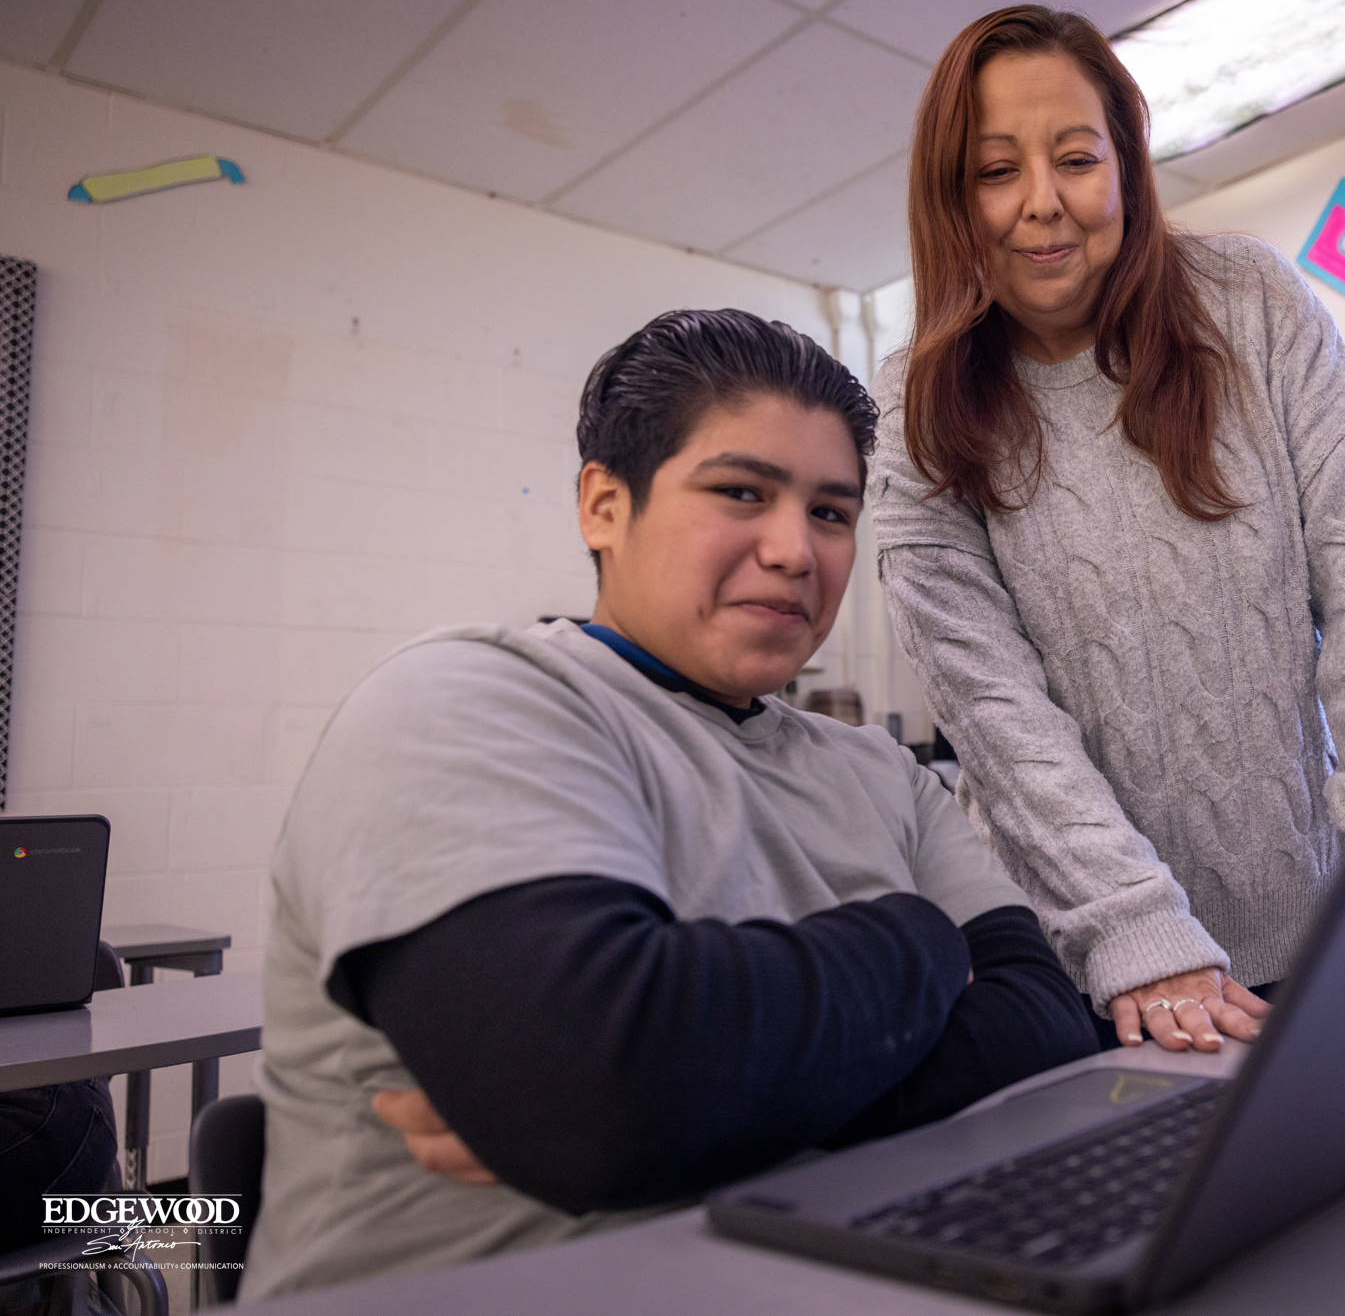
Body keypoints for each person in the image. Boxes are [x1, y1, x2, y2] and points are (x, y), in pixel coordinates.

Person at [242, 310, 1096, 1299]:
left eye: (831, 511)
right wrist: (922, 939)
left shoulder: (882, 773)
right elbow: (594, 1097)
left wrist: (707, 1093)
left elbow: (1041, 1029)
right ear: (604, 505)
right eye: (741, 491)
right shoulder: (467, 701)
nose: (794, 550)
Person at [871, 6, 1345, 1056]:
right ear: (951, 199)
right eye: (996, 170)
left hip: (1316, 923)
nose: (1043, 205)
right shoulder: (914, 412)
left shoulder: (1254, 306)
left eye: (1076, 158)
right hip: (1087, 967)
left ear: (1128, 170)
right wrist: (1135, 923)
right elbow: (996, 709)